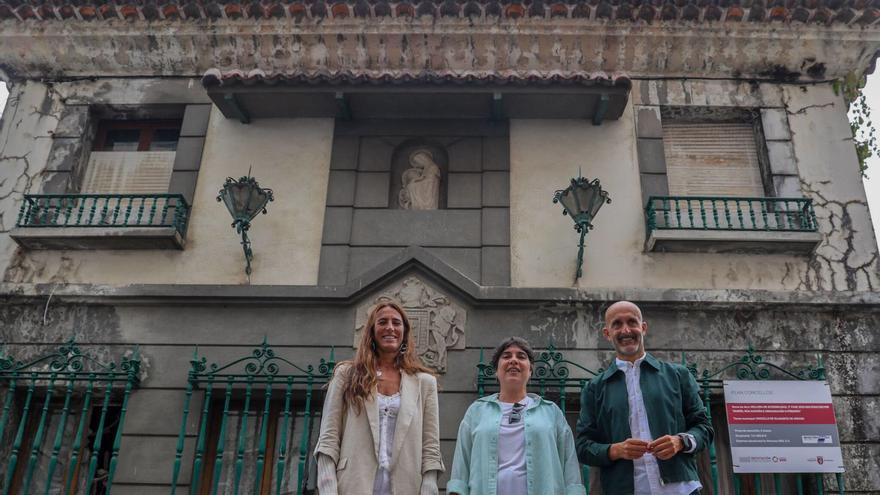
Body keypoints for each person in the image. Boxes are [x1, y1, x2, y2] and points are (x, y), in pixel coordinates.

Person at [575, 301, 714, 495]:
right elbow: (583, 446)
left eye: (632, 322)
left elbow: (704, 428)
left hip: (681, 489)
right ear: (607, 333)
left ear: (643, 327)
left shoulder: (677, 375)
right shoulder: (595, 388)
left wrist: (680, 441)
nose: (626, 330)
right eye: (617, 324)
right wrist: (616, 450)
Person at [314, 301, 444, 495]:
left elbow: (431, 445)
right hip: (352, 484)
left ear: (405, 332)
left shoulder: (424, 383)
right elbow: (329, 437)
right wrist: (327, 485)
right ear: (372, 331)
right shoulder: (346, 374)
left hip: (407, 487)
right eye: (382, 322)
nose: (390, 327)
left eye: (396, 323)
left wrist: (429, 483)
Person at [448, 337, 584, 495]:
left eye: (521, 356)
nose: (513, 360)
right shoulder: (477, 411)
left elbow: (569, 463)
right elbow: (461, 464)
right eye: (506, 356)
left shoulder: (551, 412)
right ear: (496, 371)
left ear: (530, 370)